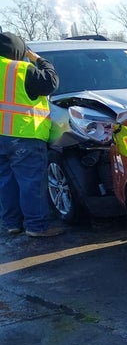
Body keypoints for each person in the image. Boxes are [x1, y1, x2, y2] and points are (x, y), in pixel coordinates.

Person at [0, 31, 63, 237]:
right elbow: (50, 83)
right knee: (31, 182)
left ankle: (12, 223)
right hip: (23, 135)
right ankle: (36, 226)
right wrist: (40, 60)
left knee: (6, 182)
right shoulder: (21, 68)